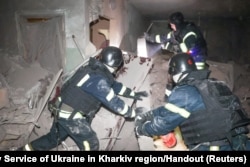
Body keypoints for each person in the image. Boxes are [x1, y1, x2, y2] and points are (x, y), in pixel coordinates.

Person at [19, 46, 148, 151]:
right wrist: (133, 113)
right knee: (91, 145)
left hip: (61, 110)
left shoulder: (94, 70)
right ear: (118, 64)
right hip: (71, 117)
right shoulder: (99, 79)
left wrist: (133, 94)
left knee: (53, 139)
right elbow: (113, 101)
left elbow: (114, 86)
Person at [135, 53, 250, 151]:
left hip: (214, 147)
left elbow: (163, 125)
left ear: (174, 72)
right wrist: (151, 114)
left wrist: (141, 129)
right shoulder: (214, 84)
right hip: (239, 141)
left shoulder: (184, 91)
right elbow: (176, 109)